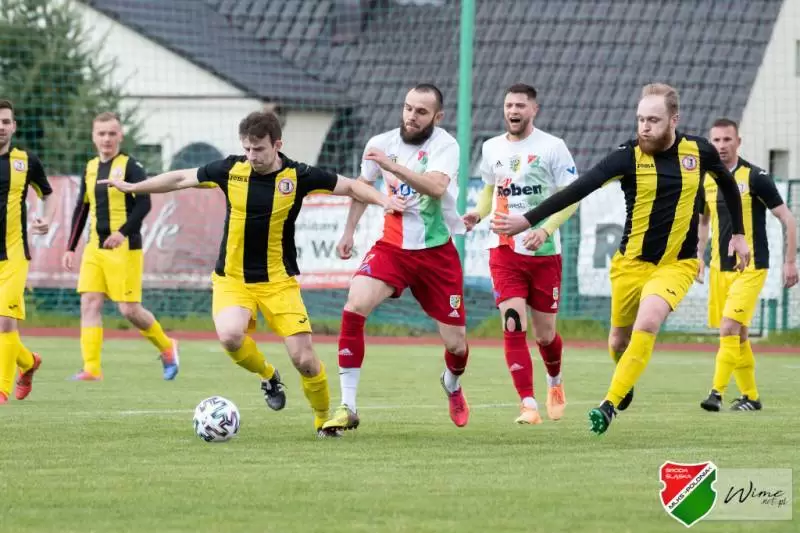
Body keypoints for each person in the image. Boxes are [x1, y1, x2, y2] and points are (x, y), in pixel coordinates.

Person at [103, 110, 404, 437]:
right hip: (233, 279)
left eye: (258, 149)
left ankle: (323, 421)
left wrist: (383, 200)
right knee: (230, 336)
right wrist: (134, 186)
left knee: (304, 360)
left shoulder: (298, 175)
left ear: (277, 145)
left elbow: (351, 187)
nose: (251, 155)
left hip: (278, 282)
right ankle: (268, 375)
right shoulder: (230, 170)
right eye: (246, 148)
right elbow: (179, 179)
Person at [491, 83, 751, 435]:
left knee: (649, 321)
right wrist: (528, 219)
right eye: (641, 119)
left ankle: (608, 404)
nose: (645, 127)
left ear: (674, 120)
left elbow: (727, 184)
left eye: (653, 120)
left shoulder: (698, 151)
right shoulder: (626, 157)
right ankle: (624, 381)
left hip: (677, 264)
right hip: (630, 264)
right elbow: (577, 190)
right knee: (617, 342)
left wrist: (738, 234)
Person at [322, 83, 470, 433]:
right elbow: (361, 185)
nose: (411, 116)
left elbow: (436, 188)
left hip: (436, 254)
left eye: (421, 112)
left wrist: (393, 166)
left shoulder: (445, 145)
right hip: (393, 249)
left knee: (457, 345)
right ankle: (347, 406)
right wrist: (349, 231)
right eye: (408, 108)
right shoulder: (381, 142)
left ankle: (451, 383)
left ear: (437, 116)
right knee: (355, 304)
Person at [463, 83, 578, 424]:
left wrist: (544, 230)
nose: (513, 111)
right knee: (513, 323)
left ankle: (555, 383)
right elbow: (490, 191)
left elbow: (571, 197)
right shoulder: (491, 147)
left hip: (543, 253)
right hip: (504, 250)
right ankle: (528, 404)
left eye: (520, 106)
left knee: (545, 335)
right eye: (509, 105)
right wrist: (477, 214)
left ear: (534, 110)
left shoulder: (553, 147)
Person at [63, 112, 179, 381]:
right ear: (93, 136)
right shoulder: (91, 167)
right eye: (101, 133)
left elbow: (144, 204)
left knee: (129, 309)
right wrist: (70, 247)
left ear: (120, 136)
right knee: (89, 302)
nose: (106, 138)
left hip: (124, 249)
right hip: (95, 248)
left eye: (111, 133)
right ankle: (91, 368)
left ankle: (167, 346)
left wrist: (122, 233)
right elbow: (82, 208)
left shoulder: (130, 166)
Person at [696, 118, 798, 412]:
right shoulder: (706, 178)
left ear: (738, 142)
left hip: (751, 267)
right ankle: (751, 397)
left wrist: (790, 262)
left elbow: (788, 219)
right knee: (738, 334)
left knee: (728, 327)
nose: (722, 145)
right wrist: (699, 255)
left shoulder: (755, 177)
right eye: (716, 140)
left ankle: (716, 393)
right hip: (719, 268)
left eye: (727, 139)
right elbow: (703, 221)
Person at [0, 99, 56, 404]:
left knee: (5, 321)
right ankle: (28, 361)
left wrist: (46, 219)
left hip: (14, 254)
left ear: (14, 126)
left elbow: (48, 194)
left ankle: (2, 390)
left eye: (5, 121)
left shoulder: (26, 161)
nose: (0, 127)